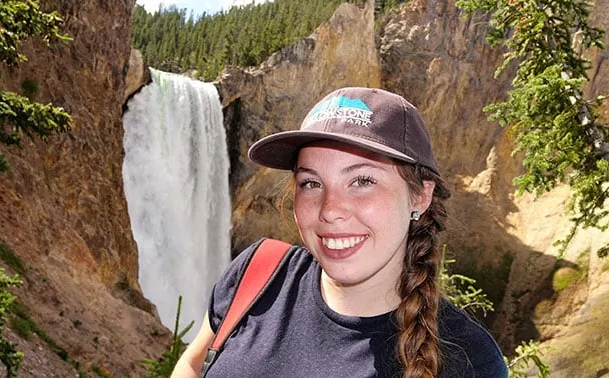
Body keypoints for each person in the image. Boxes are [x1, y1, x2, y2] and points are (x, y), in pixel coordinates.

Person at [171, 87, 508, 377]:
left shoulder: (471, 361)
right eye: (311, 183)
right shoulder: (257, 273)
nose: (330, 209)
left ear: (420, 195)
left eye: (362, 181)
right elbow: (193, 362)